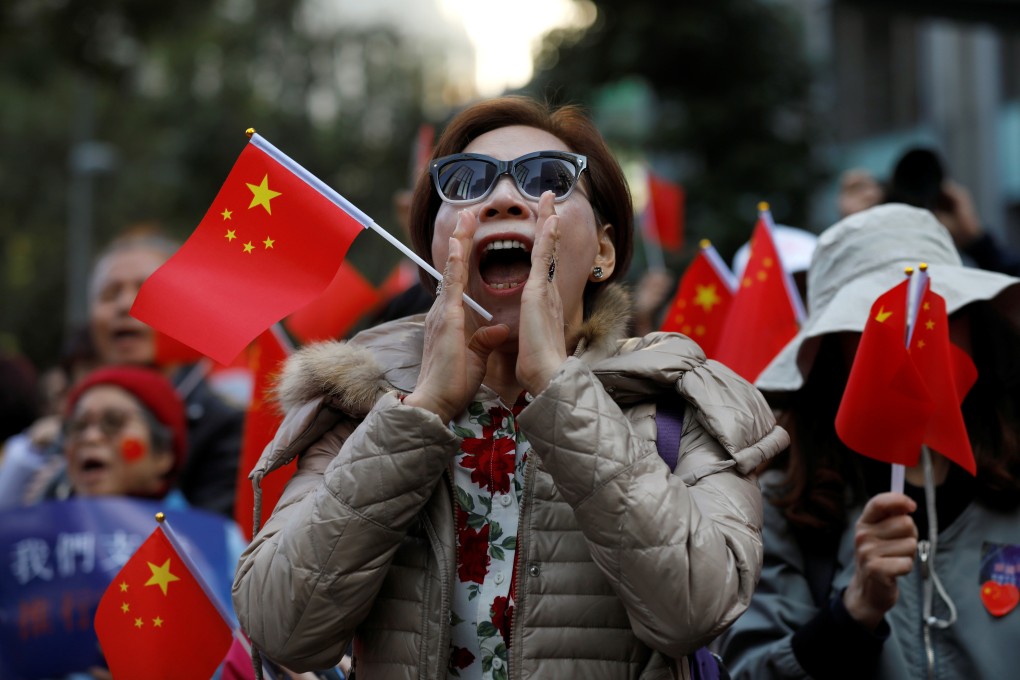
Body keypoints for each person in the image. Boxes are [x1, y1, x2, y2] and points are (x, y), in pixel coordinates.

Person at [232, 95, 789, 678]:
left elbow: (697, 611)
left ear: (602, 250)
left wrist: (559, 391)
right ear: (433, 248)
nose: (500, 199)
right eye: (466, 184)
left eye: (547, 179)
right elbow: (282, 630)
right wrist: (422, 413)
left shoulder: (686, 403)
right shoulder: (359, 406)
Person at [717, 203, 1020, 679]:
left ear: (976, 326)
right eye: (882, 322)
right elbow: (747, 670)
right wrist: (853, 610)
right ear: (835, 350)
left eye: (941, 310)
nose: (917, 337)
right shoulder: (779, 510)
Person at [86, 230, 244, 515]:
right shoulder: (72, 426)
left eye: (146, 289)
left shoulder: (225, 426)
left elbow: (213, 544)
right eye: (110, 294)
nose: (125, 305)